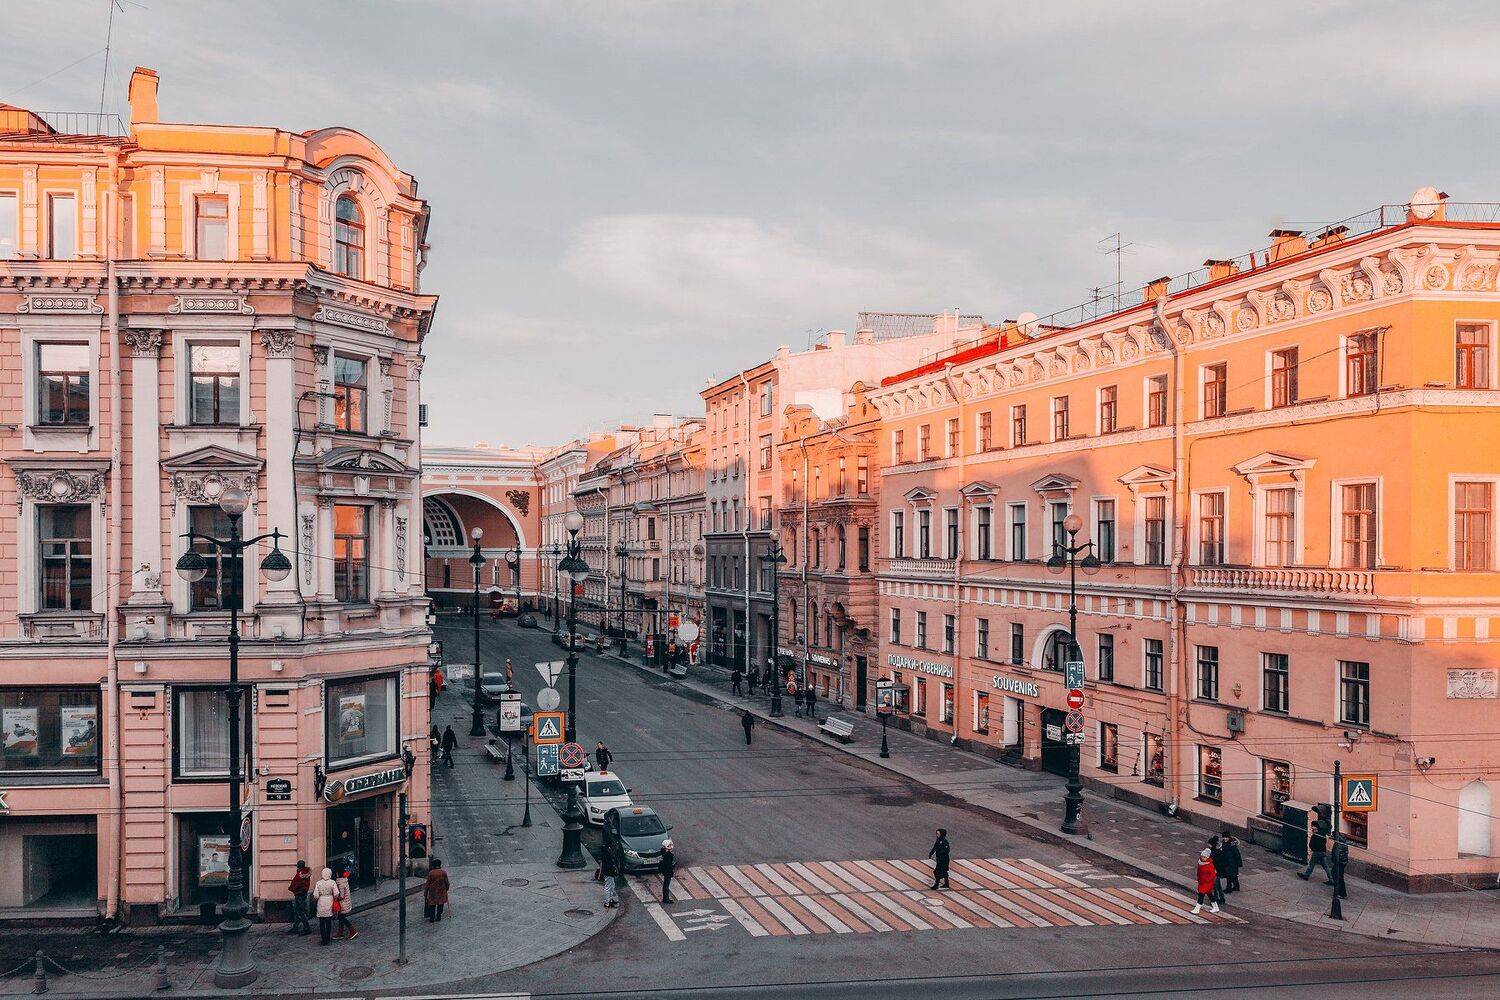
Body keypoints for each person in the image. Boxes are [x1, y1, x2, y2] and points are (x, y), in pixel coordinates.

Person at [312, 867, 339, 945]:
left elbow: (316, 895)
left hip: (321, 901)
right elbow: (336, 893)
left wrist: (319, 897)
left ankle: (323, 939)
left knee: (321, 922)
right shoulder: (332, 882)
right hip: (329, 901)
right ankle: (327, 938)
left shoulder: (318, 883)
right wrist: (334, 897)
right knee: (328, 922)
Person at [288, 860, 312, 935]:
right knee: (297, 911)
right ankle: (295, 927)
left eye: (298, 865)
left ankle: (307, 928)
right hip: (299, 894)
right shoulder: (302, 872)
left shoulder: (302, 874)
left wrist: (293, 889)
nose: (297, 866)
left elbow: (299, 884)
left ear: (300, 865)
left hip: (300, 895)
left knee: (300, 911)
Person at [1193, 848, 1219, 914]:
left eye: (1204, 857)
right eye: (1202, 856)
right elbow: (1199, 872)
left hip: (1207, 883)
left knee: (1201, 894)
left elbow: (1213, 875)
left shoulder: (1210, 865)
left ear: (1207, 857)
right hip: (1202, 881)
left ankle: (1197, 908)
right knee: (1210, 894)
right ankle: (1215, 907)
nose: (1203, 858)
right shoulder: (1200, 862)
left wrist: (1206, 880)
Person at [424, 858, 450, 922]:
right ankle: (438, 916)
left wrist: (426, 892)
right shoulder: (443, 872)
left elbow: (427, 884)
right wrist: (446, 889)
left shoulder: (431, 873)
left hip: (433, 892)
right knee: (440, 904)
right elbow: (447, 882)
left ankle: (432, 918)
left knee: (432, 904)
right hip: (441, 890)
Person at [334, 868, 358, 940]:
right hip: (345, 902)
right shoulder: (344, 880)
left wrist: (335, 898)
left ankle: (352, 930)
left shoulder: (340, 883)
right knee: (341, 918)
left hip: (342, 904)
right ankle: (340, 933)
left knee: (342, 918)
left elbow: (341, 896)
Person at [1208, 835, 1227, 904]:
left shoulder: (1215, 852)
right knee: (1217, 886)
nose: (1208, 845)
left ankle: (1218, 899)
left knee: (1216, 886)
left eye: (1209, 844)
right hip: (1216, 871)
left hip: (1216, 871)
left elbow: (1216, 862)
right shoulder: (1215, 851)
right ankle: (1220, 898)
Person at [659, 839, 677, 904]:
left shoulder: (663, 852)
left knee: (666, 884)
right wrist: (673, 866)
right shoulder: (667, 855)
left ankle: (666, 898)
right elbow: (668, 864)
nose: (671, 847)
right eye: (669, 845)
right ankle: (666, 899)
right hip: (667, 871)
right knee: (666, 885)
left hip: (665, 871)